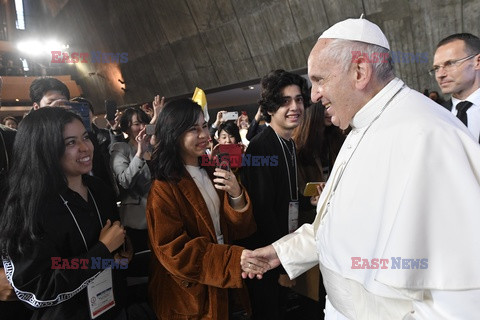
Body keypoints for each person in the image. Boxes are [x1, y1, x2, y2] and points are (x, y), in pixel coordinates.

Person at [241, 17, 480, 319]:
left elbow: (459, 292)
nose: (313, 96)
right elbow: (339, 226)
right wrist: (282, 252)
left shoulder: (427, 134)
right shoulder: (360, 127)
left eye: (320, 80)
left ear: (360, 71)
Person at [0, 107, 129, 319]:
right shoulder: (29, 208)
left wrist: (122, 251)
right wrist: (102, 251)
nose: (85, 147)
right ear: (45, 149)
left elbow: (115, 244)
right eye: (71, 142)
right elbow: (39, 287)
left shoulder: (100, 189)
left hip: (113, 306)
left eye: (85, 137)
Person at [146, 98, 257, 320]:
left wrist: (236, 194)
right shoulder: (163, 188)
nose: (203, 134)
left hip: (225, 283)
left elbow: (239, 229)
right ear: (173, 134)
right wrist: (232, 260)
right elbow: (174, 252)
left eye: (204, 126)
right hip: (191, 295)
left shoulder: (212, 169)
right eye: (192, 129)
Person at [240, 69, 311, 320]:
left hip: (282, 246)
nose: (295, 106)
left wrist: (307, 199)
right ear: (270, 108)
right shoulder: (261, 146)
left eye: (299, 99)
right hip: (266, 256)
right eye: (285, 101)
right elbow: (262, 211)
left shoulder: (288, 142)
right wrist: (282, 263)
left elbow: (285, 196)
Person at [432, 33, 480, 142]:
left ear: (478, 62)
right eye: (436, 68)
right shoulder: (434, 114)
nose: (440, 74)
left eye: (450, 63)